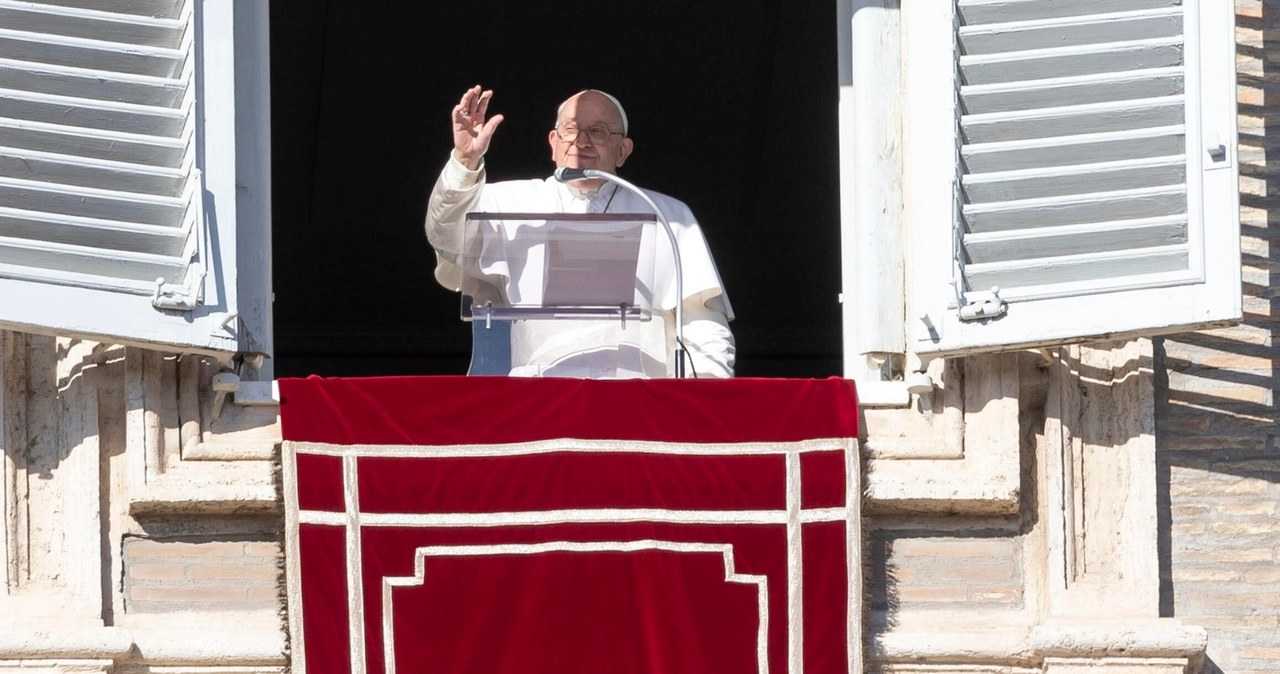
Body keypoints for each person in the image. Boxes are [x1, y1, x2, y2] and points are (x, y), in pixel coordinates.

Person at [425, 85, 735, 378]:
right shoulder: (506, 202)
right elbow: (445, 233)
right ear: (553, 142)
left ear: (623, 150)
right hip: (538, 395)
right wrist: (465, 161)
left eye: (597, 132)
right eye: (570, 130)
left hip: (637, 400)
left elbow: (701, 322)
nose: (581, 142)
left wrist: (709, 396)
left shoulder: (668, 215)